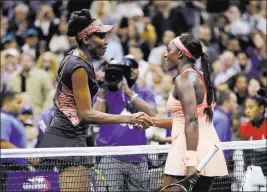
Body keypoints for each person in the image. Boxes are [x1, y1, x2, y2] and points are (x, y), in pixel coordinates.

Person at [37, 9, 154, 192]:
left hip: (65, 135)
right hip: (69, 139)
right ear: (85, 39)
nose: (106, 40)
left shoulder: (75, 58)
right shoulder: (78, 67)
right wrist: (130, 118)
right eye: (100, 36)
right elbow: (86, 114)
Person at [150, 33, 228, 191]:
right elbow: (189, 119)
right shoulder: (199, 76)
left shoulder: (184, 79)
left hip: (187, 149)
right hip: (207, 148)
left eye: (168, 49)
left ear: (179, 53)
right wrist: (152, 121)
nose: (165, 54)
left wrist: (190, 161)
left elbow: (191, 120)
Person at [94, 55, 157, 191]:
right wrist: (104, 90)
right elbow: (95, 120)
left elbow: (152, 114)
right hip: (110, 156)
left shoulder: (144, 93)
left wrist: (128, 92)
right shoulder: (105, 92)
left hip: (138, 157)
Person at [240, 88, 267, 176]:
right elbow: (246, 157)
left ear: (261, 108)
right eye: (246, 107)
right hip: (252, 176)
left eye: (251, 107)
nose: (247, 111)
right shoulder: (244, 128)